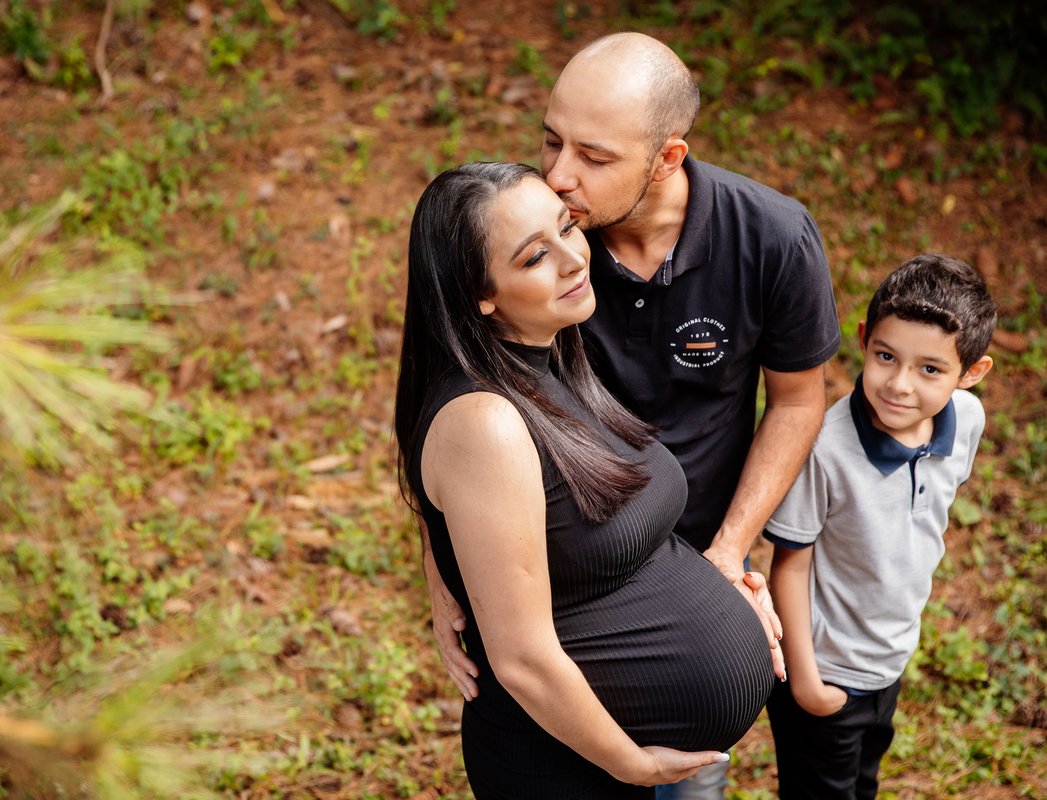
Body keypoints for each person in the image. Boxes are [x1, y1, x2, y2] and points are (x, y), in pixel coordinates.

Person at [422, 32, 841, 798]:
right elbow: (455, 395)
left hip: (698, 544)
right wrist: (442, 557)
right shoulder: (539, 247)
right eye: (551, 141)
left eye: (594, 156)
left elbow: (798, 400)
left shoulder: (772, 237)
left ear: (668, 159)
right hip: (562, 567)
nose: (558, 176)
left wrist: (728, 554)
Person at [396, 162, 775, 798]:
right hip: (568, 770)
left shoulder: (554, 357)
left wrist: (721, 585)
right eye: (535, 257)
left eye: (569, 227)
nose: (575, 258)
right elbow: (522, 659)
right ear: (479, 295)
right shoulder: (486, 421)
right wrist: (632, 764)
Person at [764, 254, 995, 799]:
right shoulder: (825, 447)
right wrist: (806, 683)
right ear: (864, 339)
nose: (899, 384)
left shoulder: (968, 421)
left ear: (972, 373)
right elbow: (790, 564)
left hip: (888, 660)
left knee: (863, 784)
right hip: (826, 670)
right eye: (886, 356)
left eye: (930, 369)